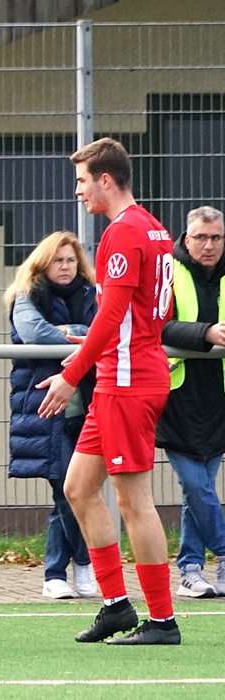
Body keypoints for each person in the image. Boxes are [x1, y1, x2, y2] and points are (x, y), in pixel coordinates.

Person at [38, 138, 179, 645]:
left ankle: (162, 620)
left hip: (127, 383)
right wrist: (99, 348)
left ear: (104, 180)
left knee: (134, 500)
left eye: (81, 181)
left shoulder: (123, 232)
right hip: (125, 375)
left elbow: (114, 314)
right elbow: (147, 313)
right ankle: (117, 606)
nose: (77, 191)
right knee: (78, 488)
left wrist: (71, 373)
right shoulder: (155, 229)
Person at [4, 231, 98, 600]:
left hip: (88, 407)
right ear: (43, 263)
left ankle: (65, 570)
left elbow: (108, 331)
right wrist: (85, 337)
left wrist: (73, 332)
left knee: (80, 490)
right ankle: (71, 567)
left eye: (71, 260)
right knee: (65, 489)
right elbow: (34, 333)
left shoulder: (91, 294)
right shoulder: (28, 294)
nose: (65, 266)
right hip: (46, 407)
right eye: (58, 260)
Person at [156, 205, 225, 598]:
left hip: (219, 399)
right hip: (177, 397)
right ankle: (223, 555)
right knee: (197, 486)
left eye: (216, 237)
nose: (209, 245)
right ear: (186, 238)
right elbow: (158, 325)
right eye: (201, 237)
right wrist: (206, 333)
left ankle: (190, 569)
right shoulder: (169, 271)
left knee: (198, 491)